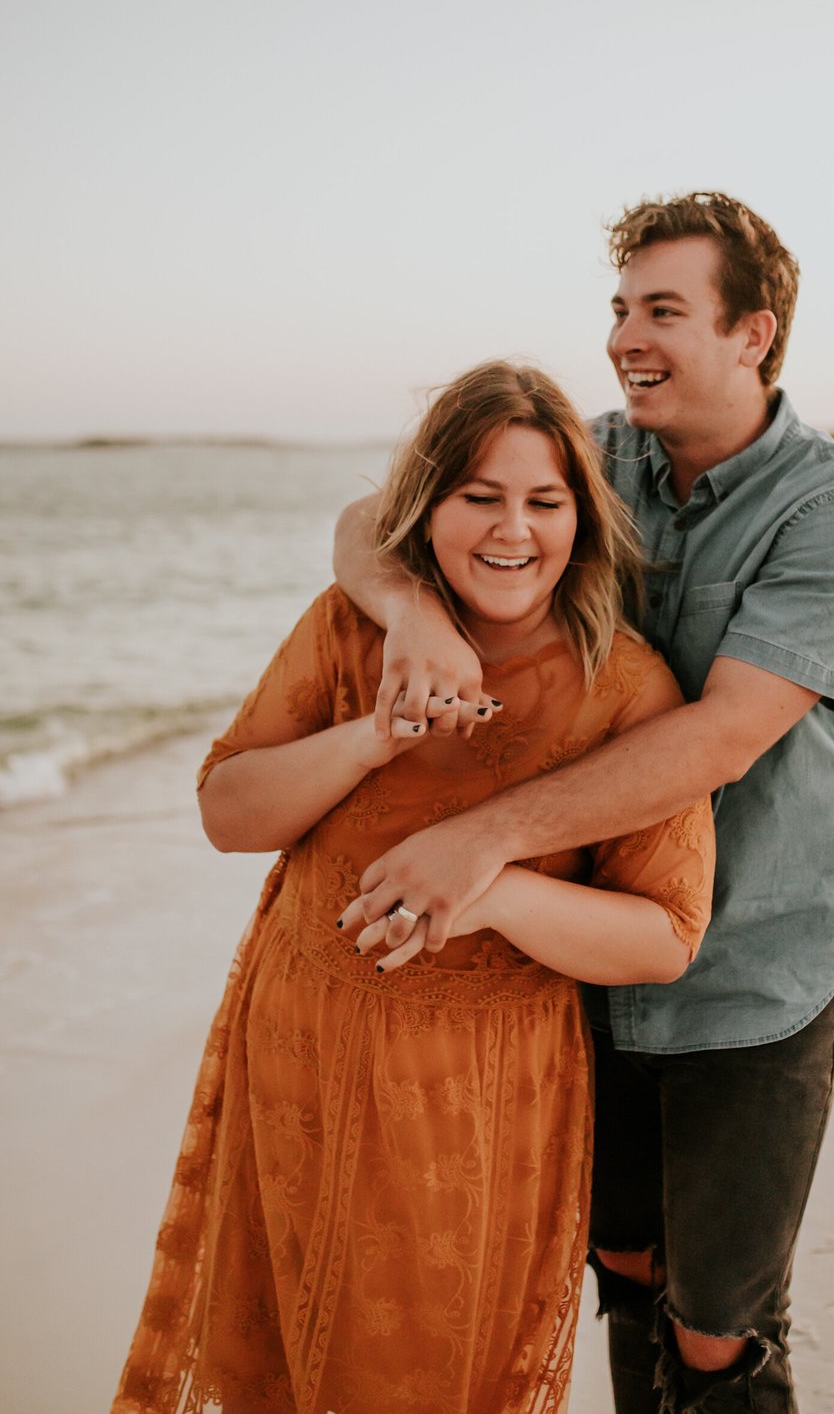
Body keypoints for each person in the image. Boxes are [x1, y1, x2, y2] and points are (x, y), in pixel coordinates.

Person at [333, 193, 834, 1413]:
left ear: (753, 333)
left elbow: (722, 735)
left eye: (662, 310)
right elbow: (366, 525)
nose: (623, 337)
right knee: (623, 1266)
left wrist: (482, 842)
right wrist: (418, 618)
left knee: (718, 1326)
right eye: (618, 309)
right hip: (592, 951)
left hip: (759, 963)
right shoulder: (592, 458)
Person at [111, 360, 715, 1414]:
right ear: (427, 504)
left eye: (543, 501)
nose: (511, 530)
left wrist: (494, 893)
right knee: (271, 1368)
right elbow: (226, 813)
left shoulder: (625, 687)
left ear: (580, 515)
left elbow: (665, 936)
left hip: (477, 1102)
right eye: (478, 496)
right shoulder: (353, 630)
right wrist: (372, 740)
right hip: (296, 1052)